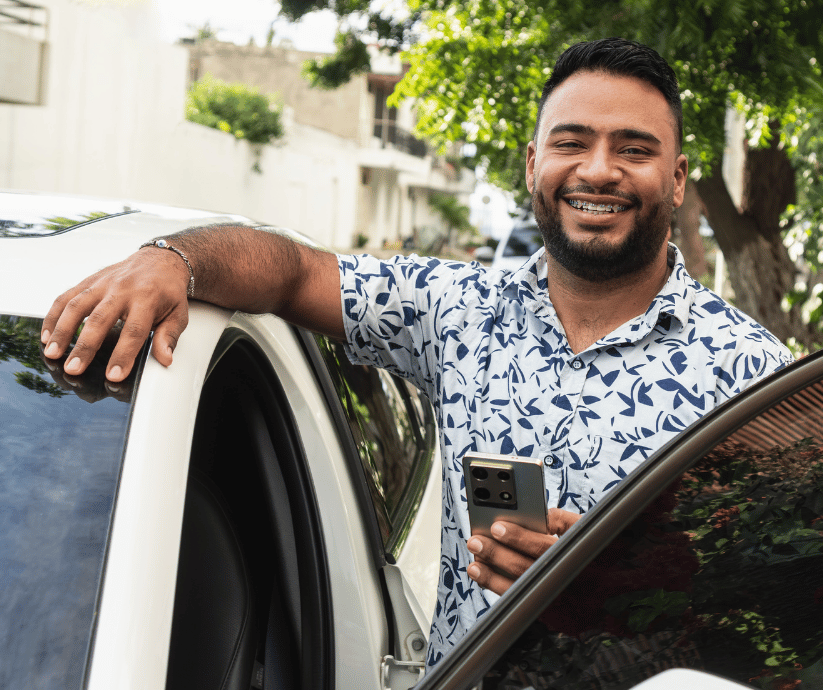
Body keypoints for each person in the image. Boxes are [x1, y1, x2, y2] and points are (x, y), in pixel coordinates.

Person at [40, 38, 793, 668]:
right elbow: (295, 270)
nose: (597, 170)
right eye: (571, 143)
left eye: (633, 149)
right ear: (533, 163)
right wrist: (172, 260)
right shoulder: (455, 310)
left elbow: (777, 620)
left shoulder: (751, 375)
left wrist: (612, 602)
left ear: (677, 177)